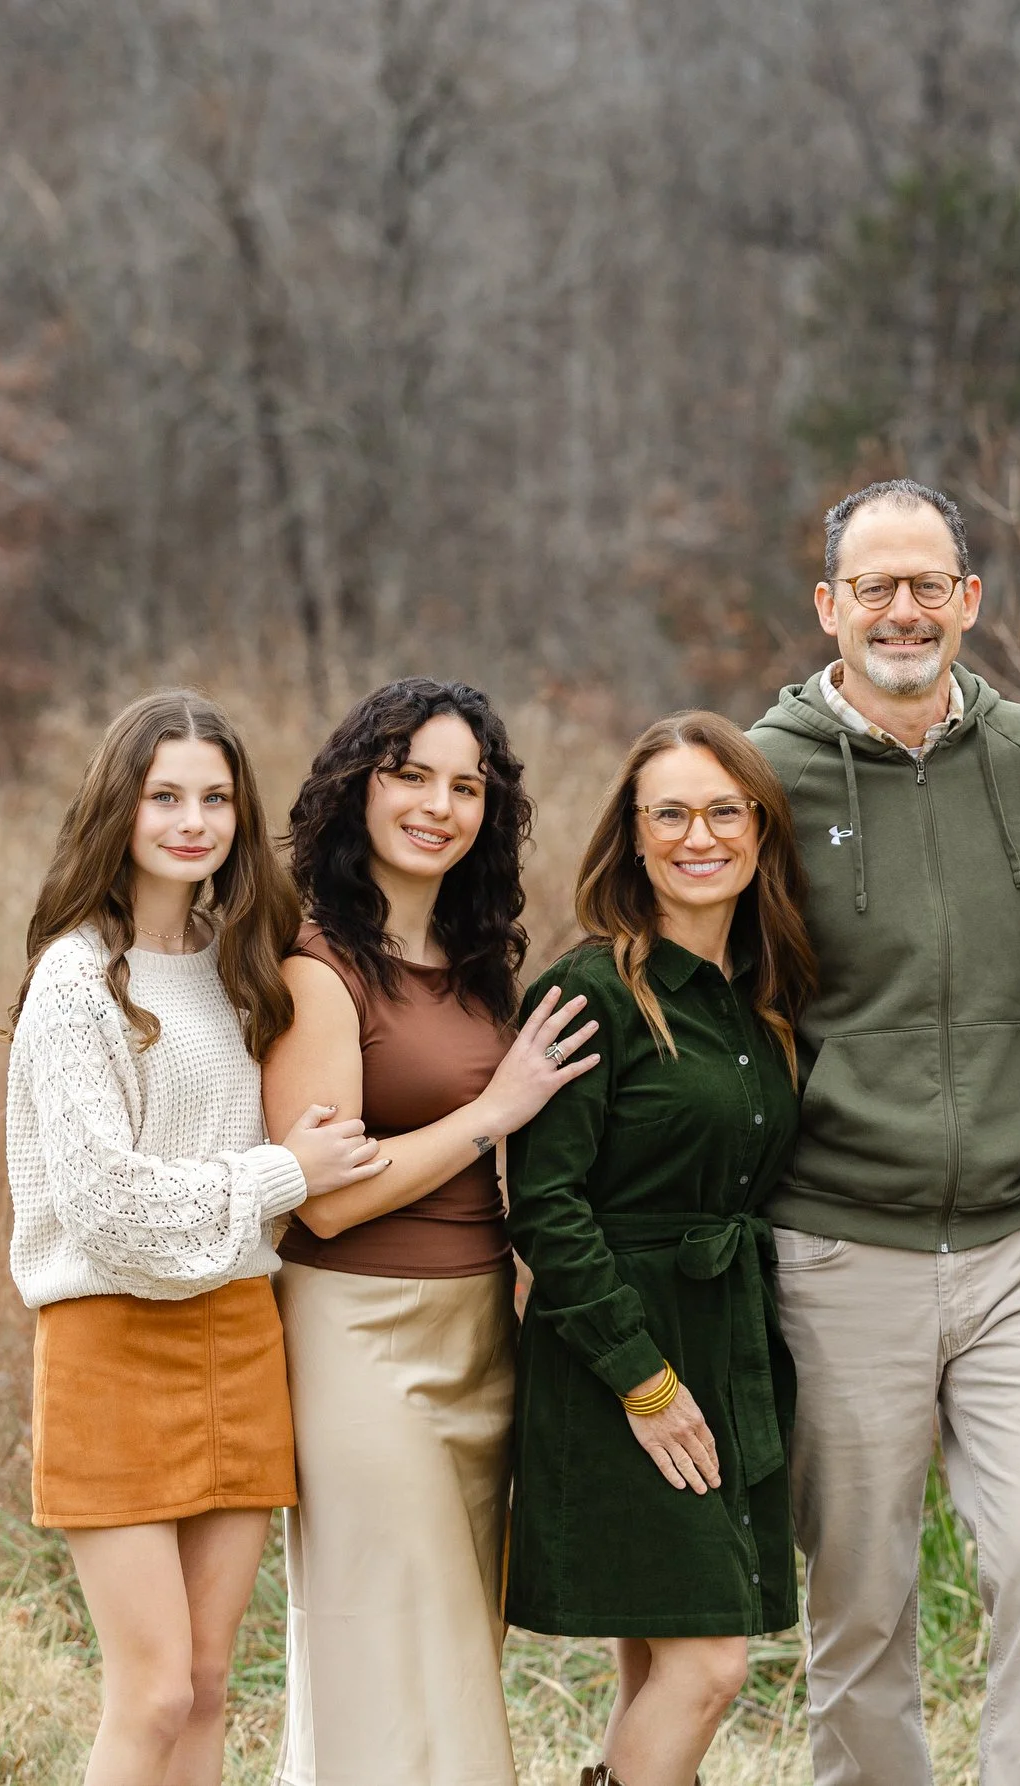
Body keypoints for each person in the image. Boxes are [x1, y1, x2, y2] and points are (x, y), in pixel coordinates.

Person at [748, 478, 1020, 1786]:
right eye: (874, 586)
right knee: (859, 1604)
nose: (903, 609)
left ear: (970, 600)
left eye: (928, 584)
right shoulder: (761, 773)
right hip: (842, 1242)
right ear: (828, 604)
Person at [2, 689, 385, 1786]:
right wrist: (282, 1174)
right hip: (109, 1340)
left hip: (237, 1336)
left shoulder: (241, 963)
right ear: (118, 808)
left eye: (215, 798)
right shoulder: (78, 980)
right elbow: (108, 1211)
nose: (192, 821)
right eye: (164, 796)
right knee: (154, 1691)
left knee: (211, 1683)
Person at [262, 679, 600, 1786]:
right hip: (359, 1336)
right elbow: (324, 1199)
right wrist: (494, 1112)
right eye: (409, 776)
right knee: (392, 1648)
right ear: (356, 788)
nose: (438, 806)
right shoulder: (316, 968)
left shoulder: (476, 958)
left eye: (466, 786)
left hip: (480, 1328)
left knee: (455, 1642)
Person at [503, 712, 817, 1786]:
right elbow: (545, 1207)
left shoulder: (763, 998)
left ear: (760, 828)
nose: (699, 836)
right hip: (618, 1358)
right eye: (669, 814)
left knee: (659, 1654)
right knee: (709, 1664)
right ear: (632, 837)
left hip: (728, 1345)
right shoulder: (590, 992)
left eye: (724, 811)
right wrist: (642, 1380)